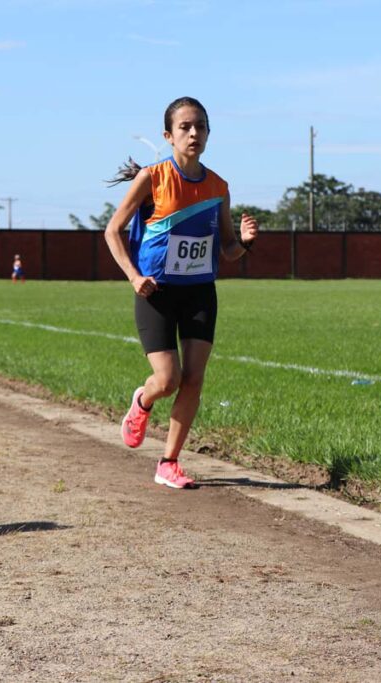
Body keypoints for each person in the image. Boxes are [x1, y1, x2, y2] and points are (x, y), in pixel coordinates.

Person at [104, 96, 258, 489]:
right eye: (186, 127)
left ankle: (168, 462)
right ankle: (143, 401)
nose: (194, 133)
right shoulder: (152, 178)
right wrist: (133, 277)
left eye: (201, 127)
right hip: (155, 292)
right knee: (168, 379)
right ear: (168, 135)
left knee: (194, 379)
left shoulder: (218, 186)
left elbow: (227, 251)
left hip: (200, 292)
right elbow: (112, 231)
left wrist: (244, 242)